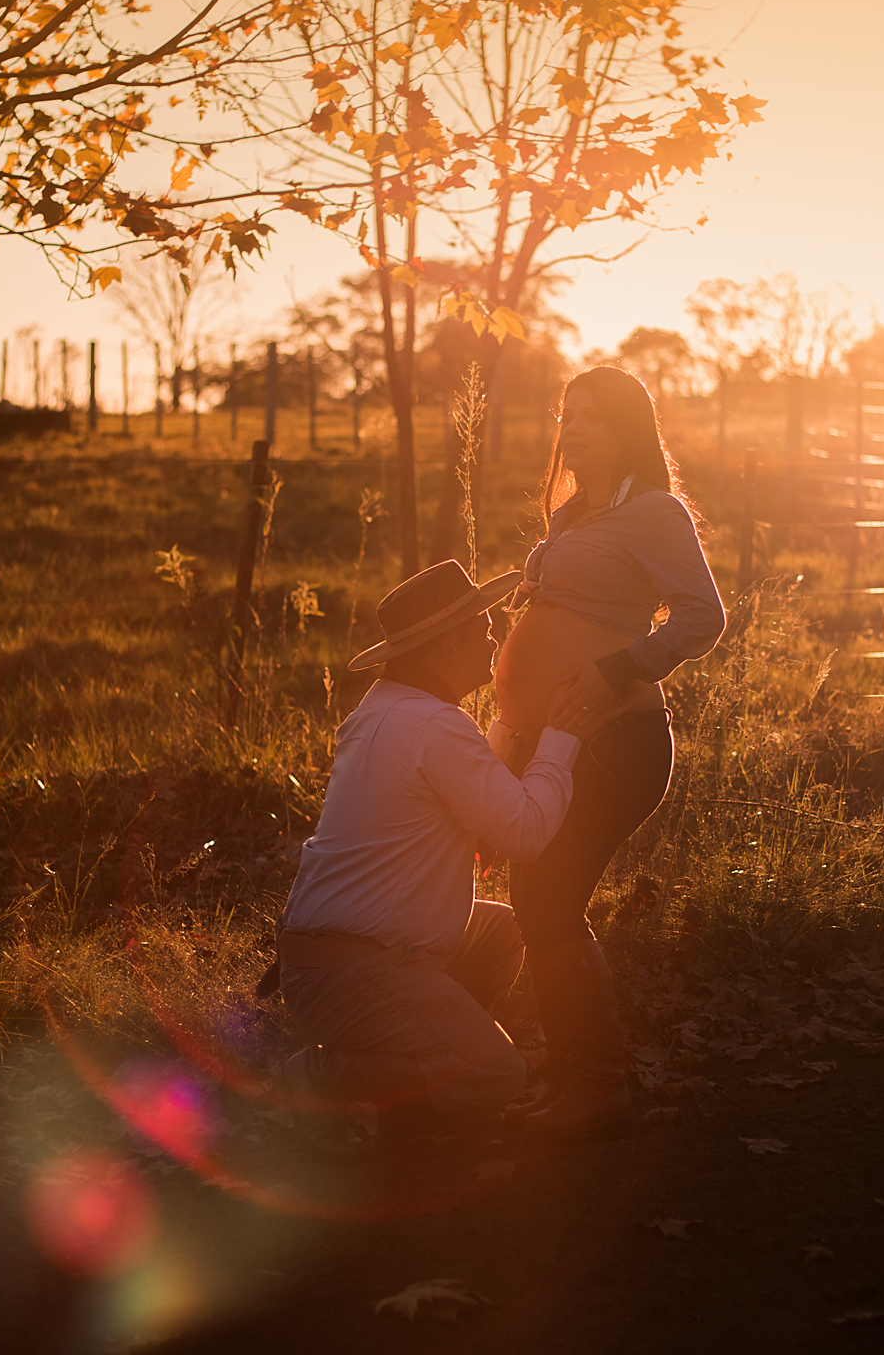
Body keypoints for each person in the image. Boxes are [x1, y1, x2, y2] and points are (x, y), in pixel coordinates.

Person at [272, 558, 617, 1152]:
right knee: (496, 1074)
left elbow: (455, 782)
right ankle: (318, 1080)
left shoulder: (382, 712)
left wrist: (512, 725)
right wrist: (562, 739)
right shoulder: (433, 725)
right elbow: (525, 831)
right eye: (482, 627)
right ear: (446, 642)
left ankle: (424, 1062)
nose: (491, 638)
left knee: (506, 930)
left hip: (324, 961)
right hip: (357, 971)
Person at [491, 364, 726, 1139]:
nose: (575, 427)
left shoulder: (655, 512)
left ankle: (596, 1084)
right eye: (568, 413)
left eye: (592, 415)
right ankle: (577, 1079)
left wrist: (619, 665)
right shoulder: (570, 517)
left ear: (628, 428)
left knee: (548, 901)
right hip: (550, 741)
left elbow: (703, 618)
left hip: (616, 742)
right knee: (540, 902)